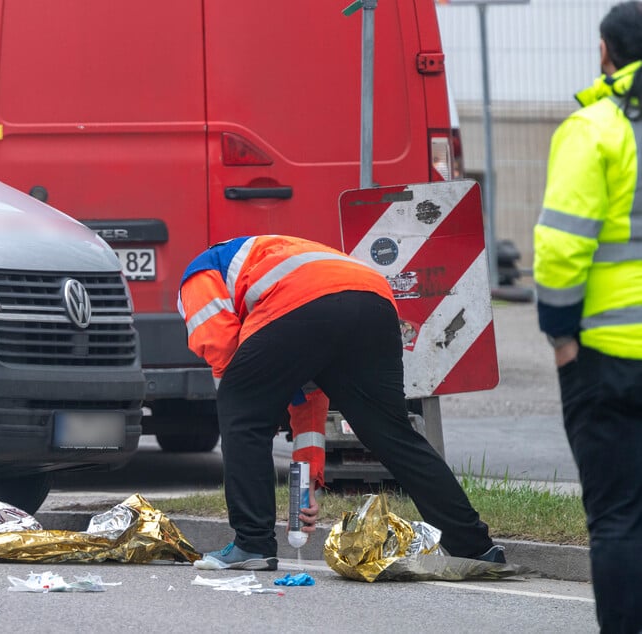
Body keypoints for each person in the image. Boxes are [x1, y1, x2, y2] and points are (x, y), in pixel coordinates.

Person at [177, 234, 503, 571]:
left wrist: (257, 400)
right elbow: (310, 396)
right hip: (374, 301)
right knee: (392, 434)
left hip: (303, 300)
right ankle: (475, 547)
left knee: (241, 414)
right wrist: (305, 486)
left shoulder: (196, 277)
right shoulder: (267, 258)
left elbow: (225, 352)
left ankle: (252, 544)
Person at [533, 3, 642, 631]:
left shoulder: (595, 129)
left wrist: (560, 335)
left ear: (605, 52)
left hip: (607, 358)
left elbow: (562, 244)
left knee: (620, 518)